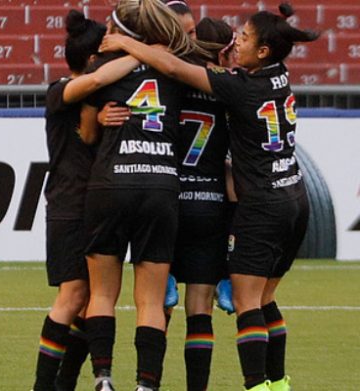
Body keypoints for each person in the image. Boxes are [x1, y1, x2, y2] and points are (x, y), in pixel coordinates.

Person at [99, 3, 318, 390]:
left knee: (173, 303)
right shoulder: (277, 77)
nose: (238, 45)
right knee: (244, 303)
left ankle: (248, 386)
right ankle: (276, 382)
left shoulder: (212, 87)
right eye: (233, 42)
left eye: (245, 39)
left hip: (193, 199)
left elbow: (169, 69)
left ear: (263, 50)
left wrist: (125, 43)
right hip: (286, 195)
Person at [77, 1, 212, 390]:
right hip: (160, 185)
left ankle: (102, 379)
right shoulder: (177, 68)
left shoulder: (102, 67)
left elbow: (86, 135)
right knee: (151, 301)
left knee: (102, 292)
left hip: (111, 183)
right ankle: (146, 385)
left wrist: (103, 120)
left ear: (123, 32)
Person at [33, 10, 137, 391]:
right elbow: (90, 123)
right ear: (93, 58)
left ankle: (65, 383)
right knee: (74, 294)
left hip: (95, 204)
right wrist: (141, 53)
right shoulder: (62, 89)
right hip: (68, 205)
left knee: (93, 298)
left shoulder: (97, 96)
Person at [170, 17, 236, 391]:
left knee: (157, 309)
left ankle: (149, 383)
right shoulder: (231, 91)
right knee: (199, 311)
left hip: (170, 203)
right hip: (210, 204)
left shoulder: (173, 83)